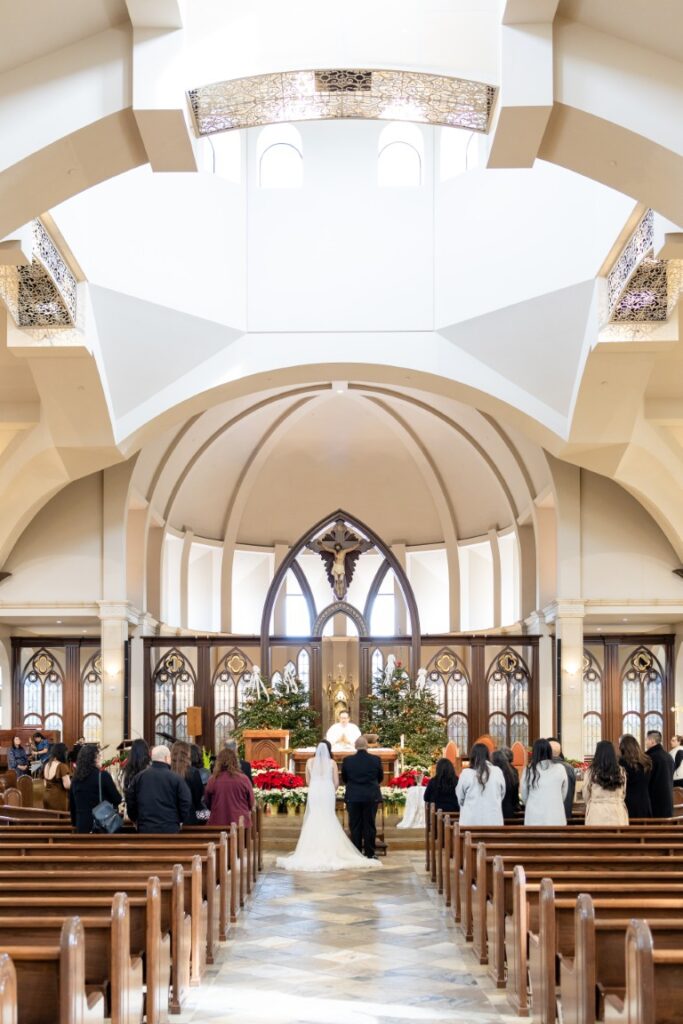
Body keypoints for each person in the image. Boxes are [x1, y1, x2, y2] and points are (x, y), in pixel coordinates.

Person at [277, 742, 380, 871]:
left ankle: (310, 850)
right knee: (328, 816)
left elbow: (308, 781)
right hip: (327, 791)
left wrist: (316, 786)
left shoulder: (309, 762)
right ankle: (335, 849)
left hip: (314, 791)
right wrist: (330, 789)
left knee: (314, 817)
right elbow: (336, 782)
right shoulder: (332, 763)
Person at [126, 745, 192, 834]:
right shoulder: (176, 778)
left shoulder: (139, 777)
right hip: (170, 828)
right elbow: (186, 801)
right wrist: (179, 819)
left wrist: (135, 818)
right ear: (166, 758)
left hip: (146, 828)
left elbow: (130, 798)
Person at [340, 736, 384, 859]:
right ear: (367, 746)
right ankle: (370, 853)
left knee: (355, 825)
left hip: (353, 796)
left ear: (355, 746)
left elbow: (344, 778)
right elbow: (380, 777)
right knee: (369, 824)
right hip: (371, 796)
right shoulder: (376, 760)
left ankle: (356, 852)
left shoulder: (348, 760)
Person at [69, 744, 121, 833]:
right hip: (101, 823)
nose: (100, 758)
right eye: (99, 756)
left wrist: (75, 823)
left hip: (82, 825)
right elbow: (117, 799)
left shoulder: (75, 779)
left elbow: (72, 805)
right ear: (94, 759)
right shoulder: (102, 775)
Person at [456, 743, 505, 826]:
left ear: (472, 757)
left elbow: (460, 798)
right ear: (488, 756)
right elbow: (502, 794)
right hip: (493, 821)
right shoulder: (497, 772)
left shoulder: (466, 774)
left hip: (470, 823)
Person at [204, 747, 255, 829]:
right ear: (235, 761)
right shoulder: (244, 779)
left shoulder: (212, 779)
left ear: (218, 762)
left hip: (217, 823)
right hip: (240, 824)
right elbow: (251, 802)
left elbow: (207, 802)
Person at [521, 738, 568, 826]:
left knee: (535, 839)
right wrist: (555, 801)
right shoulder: (560, 769)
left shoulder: (528, 770)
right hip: (555, 815)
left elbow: (524, 794)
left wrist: (533, 802)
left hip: (534, 816)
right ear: (549, 752)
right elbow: (564, 793)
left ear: (534, 753)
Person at [583, 740, 628, 825]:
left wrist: (593, 802)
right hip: (617, 811)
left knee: (597, 837)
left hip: (597, 812)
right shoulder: (621, 771)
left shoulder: (591, 771)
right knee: (617, 837)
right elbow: (624, 793)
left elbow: (586, 794)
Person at [171, 740, 206, 823]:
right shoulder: (193, 772)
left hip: (171, 819)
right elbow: (198, 798)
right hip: (189, 818)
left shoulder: (167, 772)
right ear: (187, 754)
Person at [619, 734, 652, 818]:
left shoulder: (622, 762)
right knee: (643, 829)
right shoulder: (646, 761)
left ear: (623, 748)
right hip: (644, 801)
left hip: (628, 801)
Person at [645, 730, 674, 817]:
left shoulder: (649, 757)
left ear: (652, 741)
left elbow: (646, 780)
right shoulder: (669, 756)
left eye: (646, 739)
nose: (645, 742)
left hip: (654, 801)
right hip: (668, 800)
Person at [548, 736, 576, 821]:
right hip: (565, 814)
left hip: (548, 815)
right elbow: (569, 792)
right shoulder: (569, 768)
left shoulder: (543, 767)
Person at [42, 742, 72, 811]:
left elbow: (45, 784)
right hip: (58, 798)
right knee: (60, 820)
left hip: (46, 797)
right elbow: (67, 785)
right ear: (62, 753)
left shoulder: (47, 765)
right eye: (65, 753)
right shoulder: (62, 766)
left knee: (49, 820)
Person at [491, 749, 519, 818]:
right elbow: (515, 797)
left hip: (494, 811)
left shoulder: (491, 774)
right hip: (508, 811)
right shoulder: (511, 774)